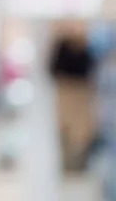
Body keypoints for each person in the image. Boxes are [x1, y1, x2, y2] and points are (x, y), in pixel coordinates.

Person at [50, 27, 96, 171]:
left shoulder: (86, 50)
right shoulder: (62, 48)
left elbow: (90, 70)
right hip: (67, 92)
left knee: (81, 132)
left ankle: (78, 165)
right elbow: (53, 70)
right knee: (67, 130)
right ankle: (68, 165)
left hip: (81, 94)